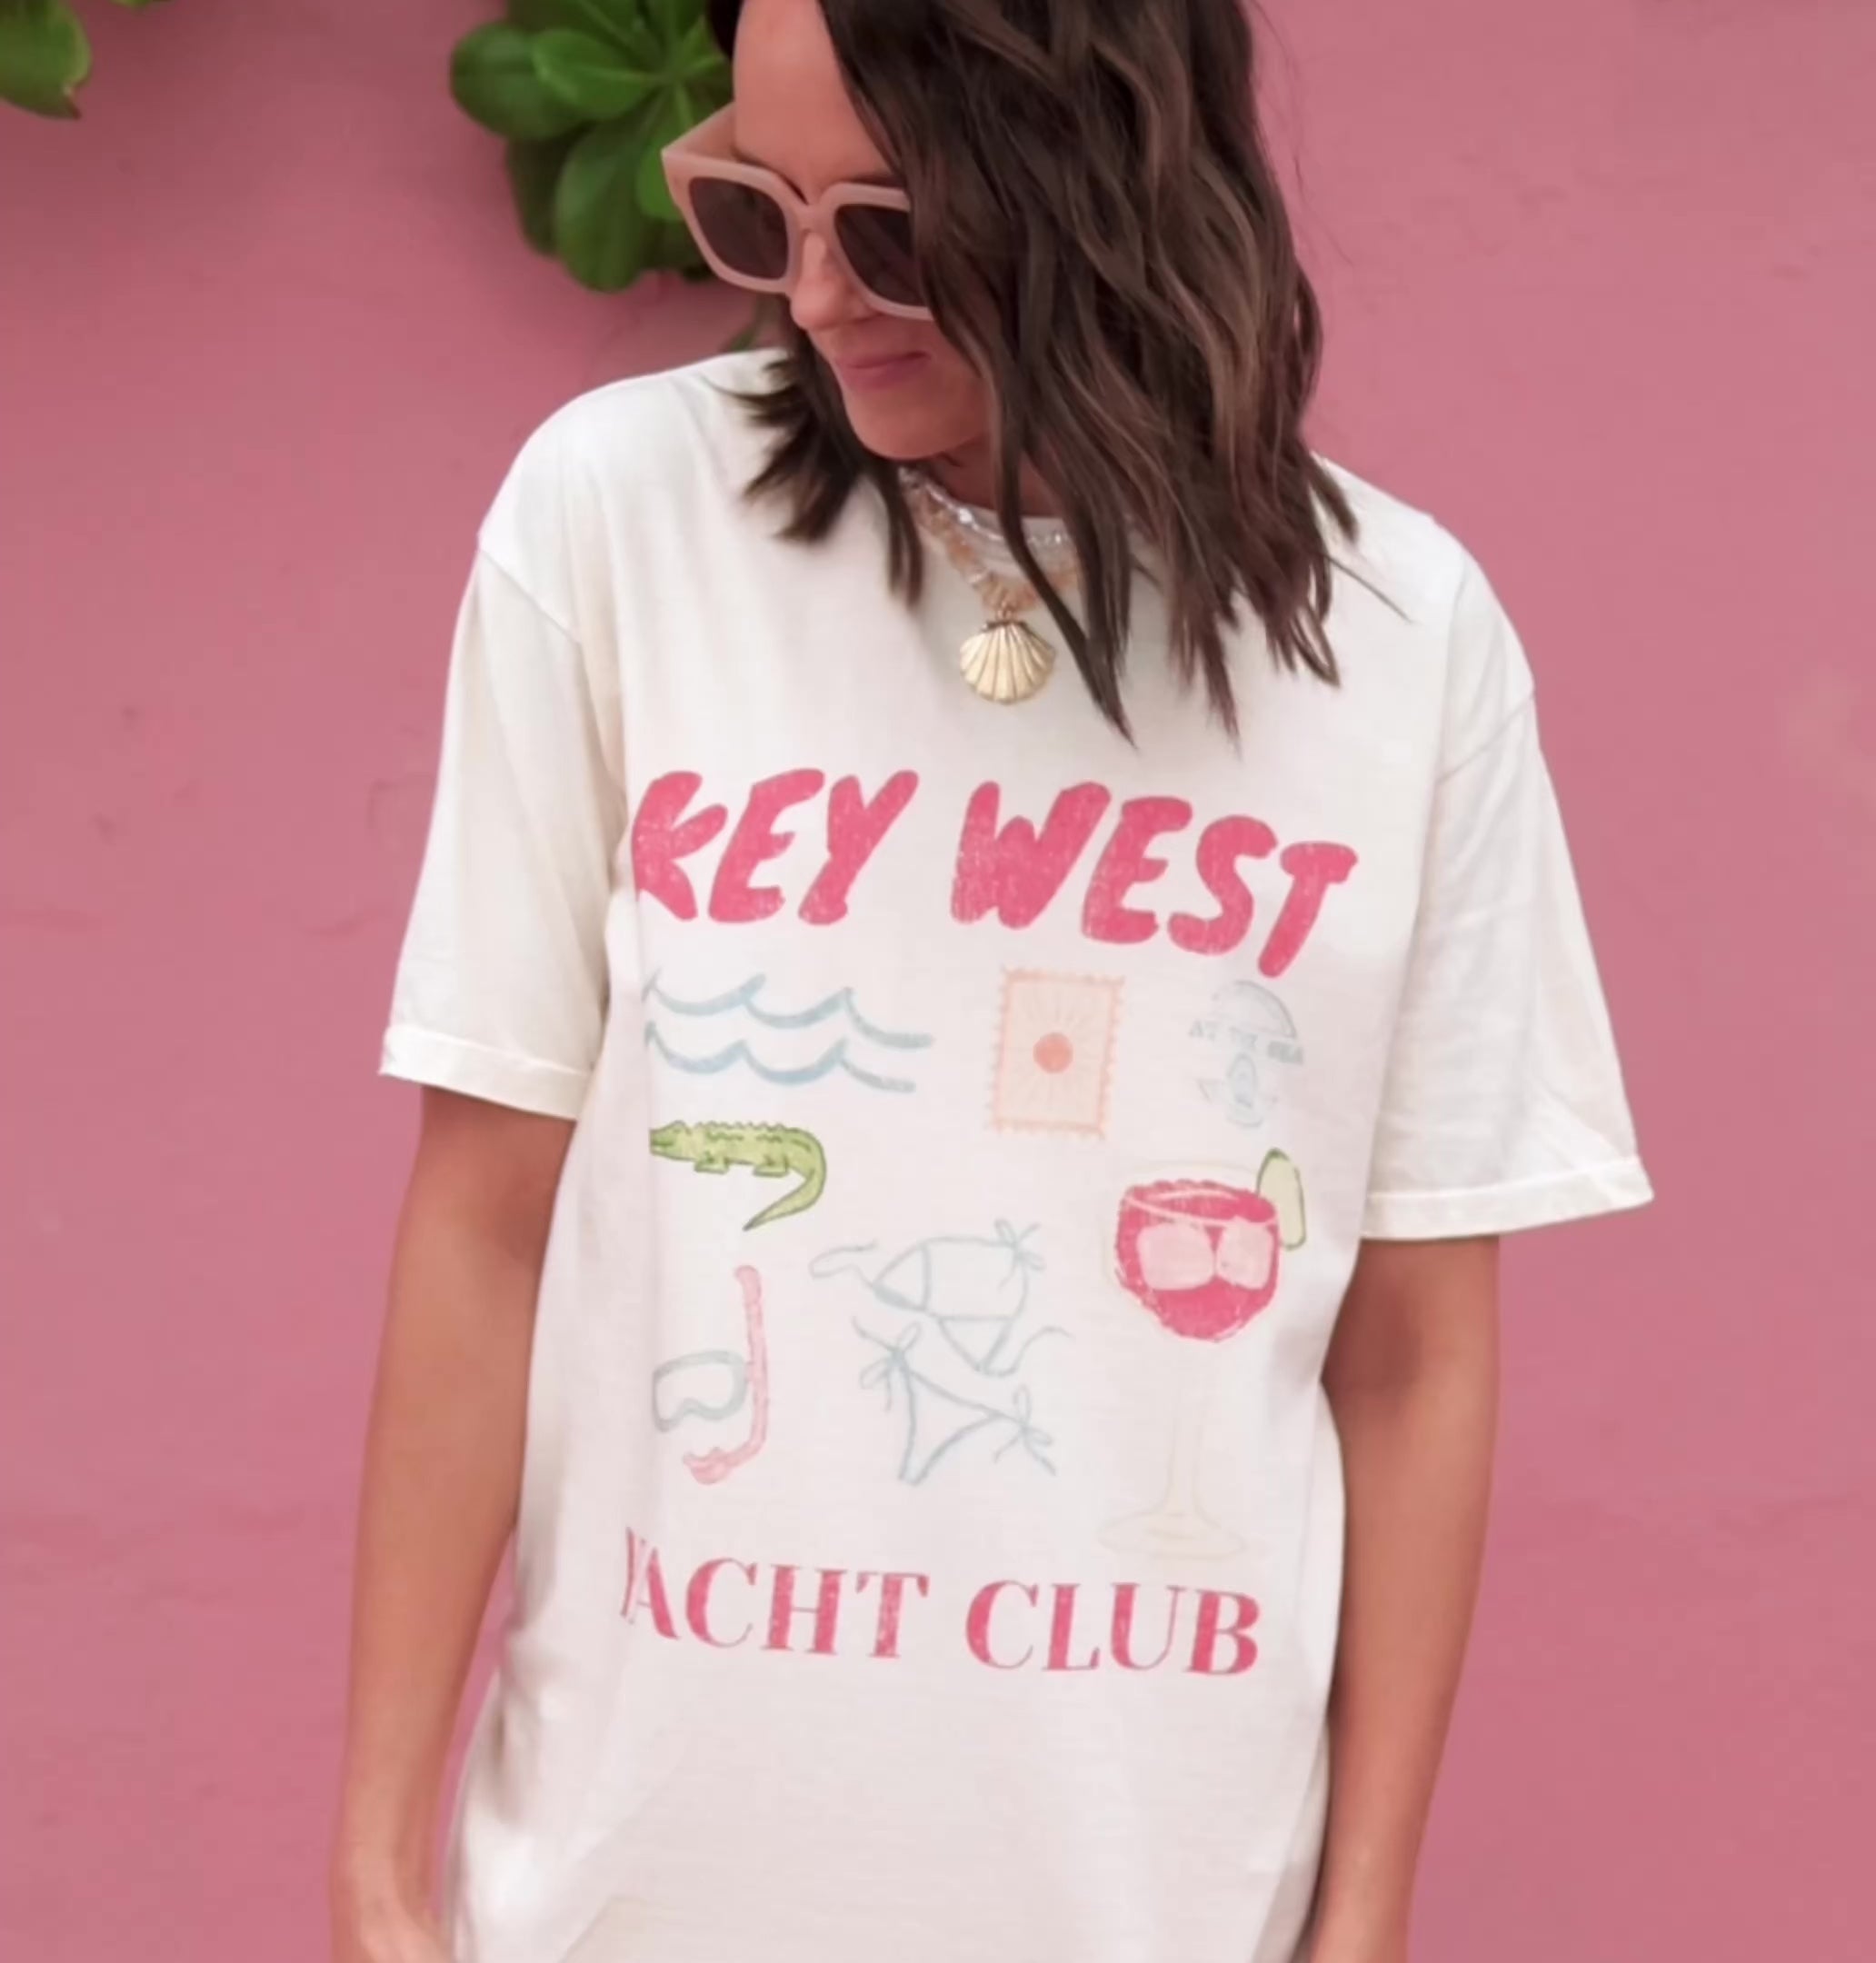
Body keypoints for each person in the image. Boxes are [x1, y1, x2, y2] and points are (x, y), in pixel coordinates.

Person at [330, 0, 1654, 1958]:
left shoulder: (1403, 641)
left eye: (885, 230)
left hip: (1155, 1899)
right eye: (758, 212)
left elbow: (1411, 1354)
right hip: (631, 1890)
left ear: (1099, 181)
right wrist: (376, 1870)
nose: (812, 297)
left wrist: (1363, 1916)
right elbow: (488, 1223)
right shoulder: (621, 521)